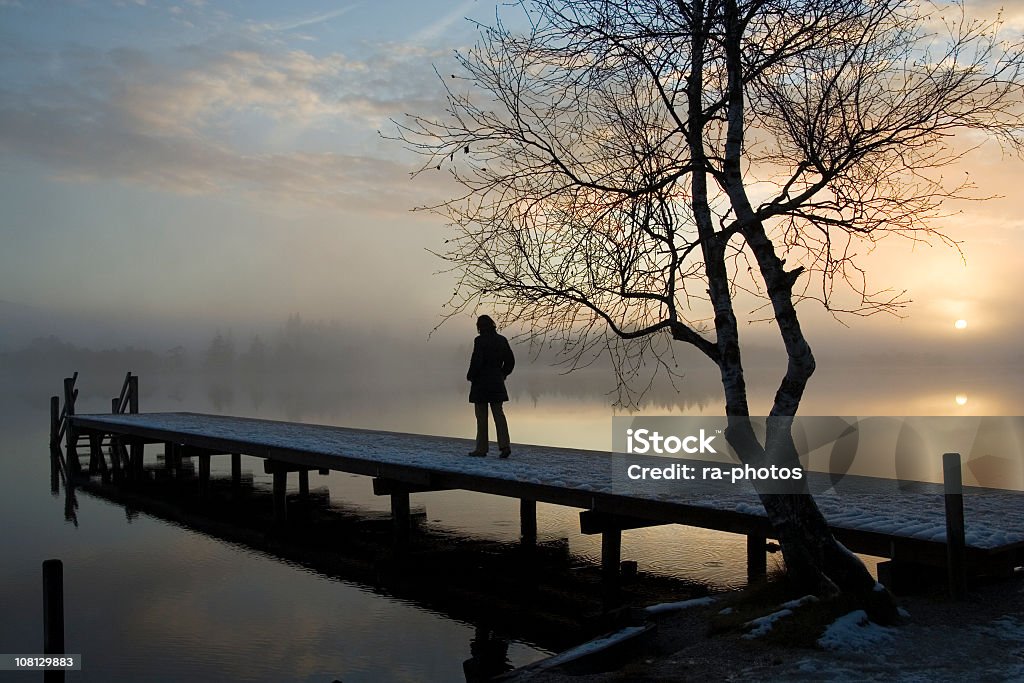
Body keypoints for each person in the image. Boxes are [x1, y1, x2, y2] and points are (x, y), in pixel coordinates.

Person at [466, 314, 515, 457]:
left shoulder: (480, 341)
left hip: (481, 383)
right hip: (496, 382)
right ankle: (505, 446)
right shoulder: (502, 340)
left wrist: (471, 375)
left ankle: (481, 449)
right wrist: (503, 374)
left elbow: (477, 360)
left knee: (481, 417)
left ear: (480, 327)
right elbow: (510, 361)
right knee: (499, 415)